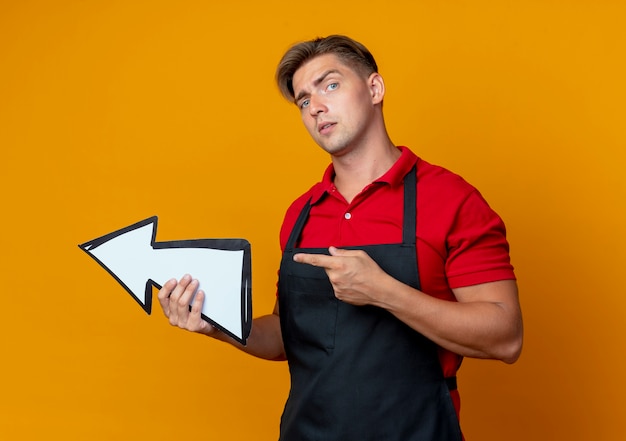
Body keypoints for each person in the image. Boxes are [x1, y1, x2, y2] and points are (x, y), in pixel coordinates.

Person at [157, 35, 523, 440]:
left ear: (374, 89)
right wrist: (220, 324)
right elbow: (285, 333)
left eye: (330, 84)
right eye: (303, 100)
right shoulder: (302, 212)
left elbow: (505, 338)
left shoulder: (452, 199)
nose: (315, 106)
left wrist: (383, 291)